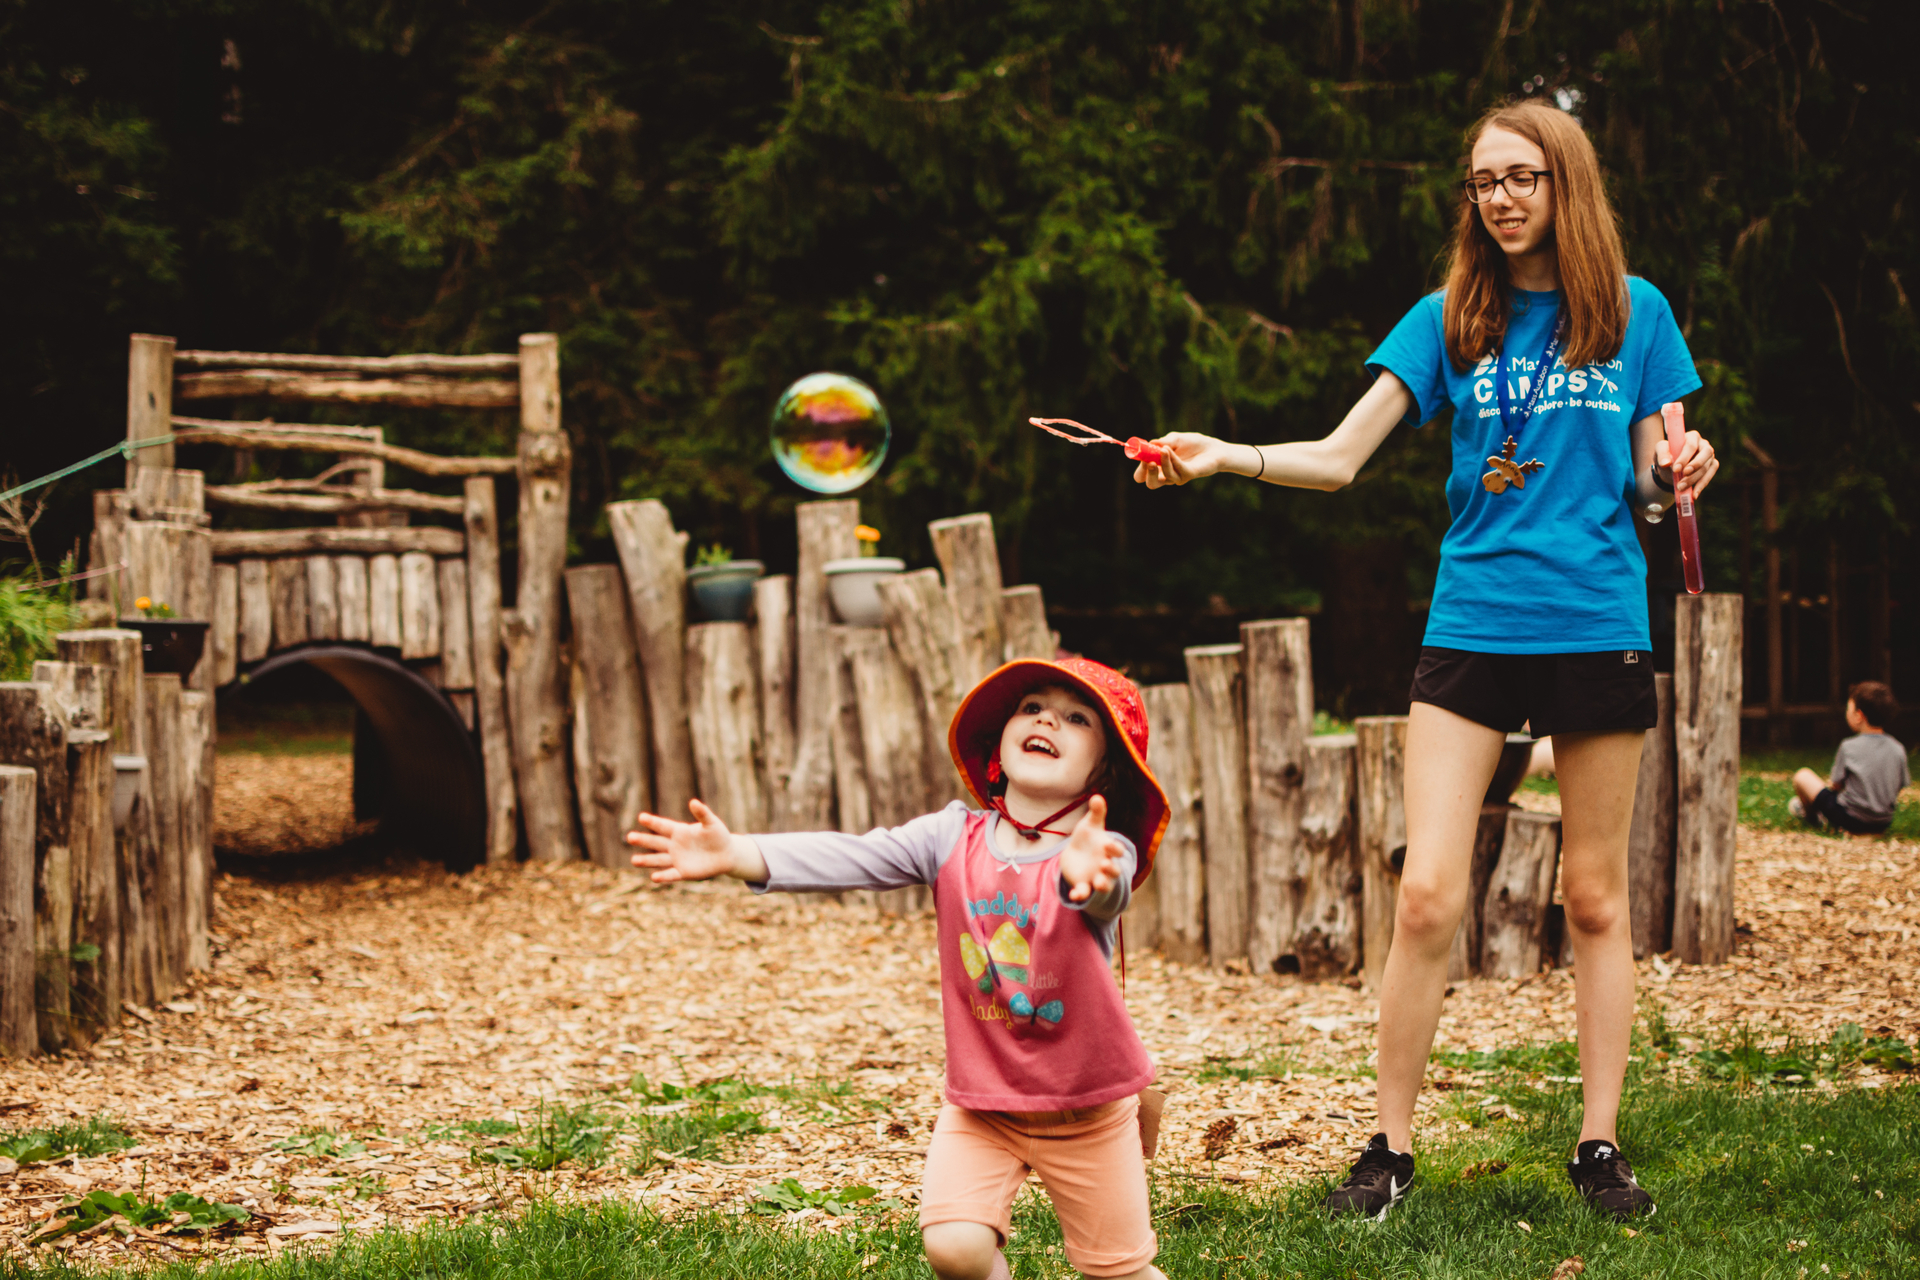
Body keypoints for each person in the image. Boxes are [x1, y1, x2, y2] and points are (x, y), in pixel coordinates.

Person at [1133, 98, 1719, 1221]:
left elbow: (1654, 487)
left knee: (1596, 900)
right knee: (1426, 896)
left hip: (1597, 616)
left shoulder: (1637, 315)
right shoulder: (1450, 315)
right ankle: (1389, 1147)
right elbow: (1343, 456)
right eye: (1482, 181)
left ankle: (1598, 1144)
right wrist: (1224, 457)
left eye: (1521, 176)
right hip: (1473, 624)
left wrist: (1685, 467)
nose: (1499, 196)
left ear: (1566, 183)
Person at [628, 657, 1171, 1280]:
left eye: (1077, 718)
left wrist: (1090, 876)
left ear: (1103, 768)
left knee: (1119, 1271)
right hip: (983, 1104)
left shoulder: (1103, 851)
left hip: (1085, 1110)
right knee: (954, 1247)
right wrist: (739, 854)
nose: (1047, 717)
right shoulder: (950, 839)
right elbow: (856, 855)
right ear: (1000, 742)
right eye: (1031, 707)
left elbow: (1105, 889)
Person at [1790, 681, 1909, 837]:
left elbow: (1836, 785)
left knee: (1802, 776)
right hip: (1883, 822)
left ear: (1859, 716)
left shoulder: (1849, 746)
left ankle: (1813, 818)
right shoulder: (1897, 748)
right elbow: (1900, 785)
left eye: (1849, 708)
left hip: (1849, 819)